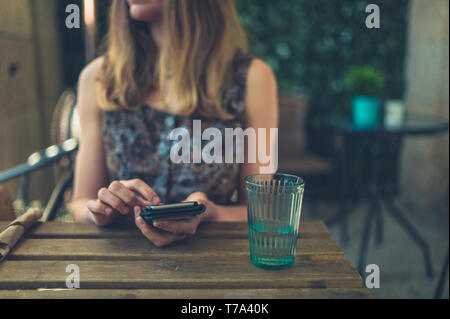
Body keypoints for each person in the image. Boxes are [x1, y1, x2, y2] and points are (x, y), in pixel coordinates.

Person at [69, 0, 278, 247]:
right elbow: (80, 201)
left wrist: (212, 213)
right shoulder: (97, 78)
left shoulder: (254, 78)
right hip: (120, 265)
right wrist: (100, 210)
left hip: (215, 263)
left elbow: (262, 211)